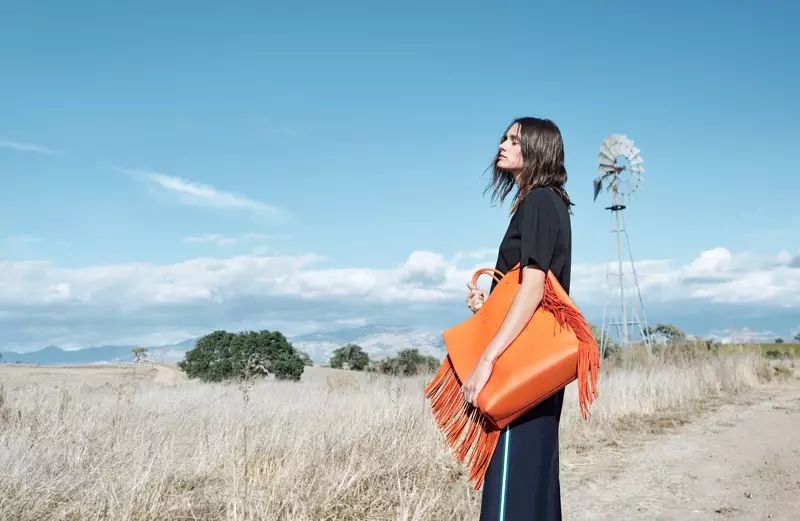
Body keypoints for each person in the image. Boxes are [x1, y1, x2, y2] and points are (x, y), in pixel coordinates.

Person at [462, 117, 573, 521]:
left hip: (520, 367)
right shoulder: (551, 202)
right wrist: (485, 308)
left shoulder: (540, 201)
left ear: (537, 150)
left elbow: (533, 287)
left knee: (511, 486)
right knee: (534, 484)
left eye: (514, 139)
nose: (503, 145)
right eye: (504, 138)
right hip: (535, 361)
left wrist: (487, 359)